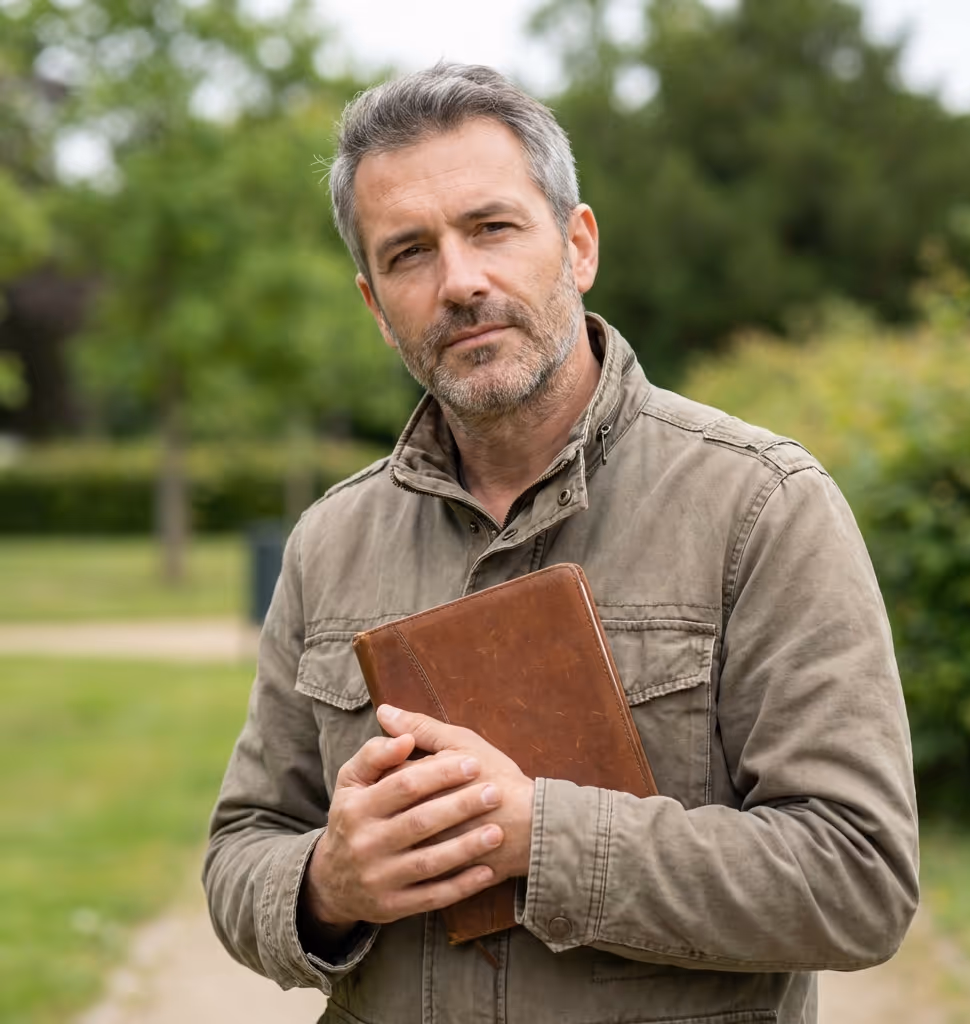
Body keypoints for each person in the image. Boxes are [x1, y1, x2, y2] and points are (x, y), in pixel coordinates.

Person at [204, 63, 918, 1024]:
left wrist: (541, 837)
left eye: (492, 228)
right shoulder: (330, 541)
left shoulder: (763, 505)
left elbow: (858, 879)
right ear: (376, 307)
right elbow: (241, 848)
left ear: (577, 247)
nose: (460, 281)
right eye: (409, 253)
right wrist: (326, 885)